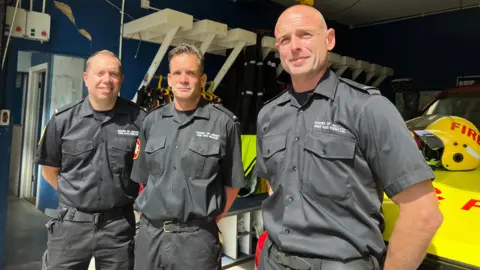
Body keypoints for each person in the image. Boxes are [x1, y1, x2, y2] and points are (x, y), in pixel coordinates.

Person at [255, 5, 443, 270]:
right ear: (278, 50)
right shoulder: (269, 114)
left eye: (305, 34)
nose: (294, 46)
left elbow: (423, 213)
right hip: (273, 261)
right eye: (285, 39)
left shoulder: (367, 109)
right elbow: (274, 186)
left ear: (329, 39)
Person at [130, 43, 246, 270]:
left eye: (191, 73)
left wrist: (202, 224)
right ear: (169, 79)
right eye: (177, 73)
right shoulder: (151, 121)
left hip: (197, 244)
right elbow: (143, 179)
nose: (183, 79)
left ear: (202, 80)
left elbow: (232, 185)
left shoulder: (223, 123)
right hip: (150, 239)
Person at [34, 50, 146, 270]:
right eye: (100, 73)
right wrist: (74, 197)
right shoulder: (62, 120)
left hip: (118, 227)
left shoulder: (139, 120)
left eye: (113, 74)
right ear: (86, 78)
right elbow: (49, 170)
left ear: (121, 79)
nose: (107, 80)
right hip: (70, 226)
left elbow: (146, 169)